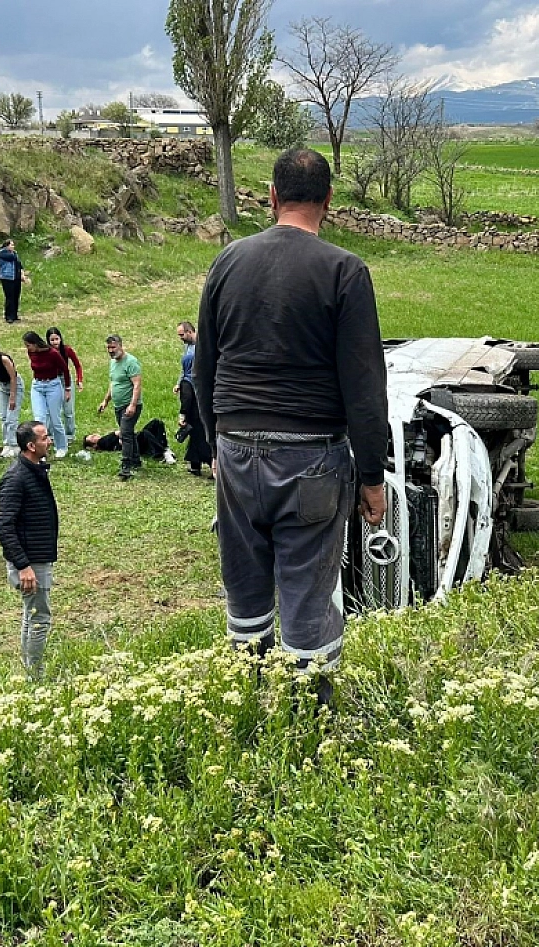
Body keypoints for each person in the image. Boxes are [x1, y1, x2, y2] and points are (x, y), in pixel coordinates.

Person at [192, 147, 389, 705]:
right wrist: (372, 476)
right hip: (311, 459)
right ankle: (307, 720)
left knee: (245, 591)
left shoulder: (228, 261)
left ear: (272, 196)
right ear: (328, 200)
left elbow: (205, 367)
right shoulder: (344, 271)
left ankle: (246, 706)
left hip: (235, 448)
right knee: (306, 593)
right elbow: (364, 384)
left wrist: (215, 446)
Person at [0, 421, 59, 677]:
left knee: (31, 614)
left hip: (36, 557)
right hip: (30, 562)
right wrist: (23, 566)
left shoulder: (33, 471)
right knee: (39, 619)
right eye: (45, 438)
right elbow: (4, 527)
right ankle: (35, 676)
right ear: (31, 446)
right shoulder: (16, 478)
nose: (49, 441)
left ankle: (29, 669)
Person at [97, 334, 143, 481]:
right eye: (108, 348)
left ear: (120, 346)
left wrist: (132, 405)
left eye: (113, 347)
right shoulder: (112, 363)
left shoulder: (131, 362)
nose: (111, 350)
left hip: (129, 405)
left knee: (125, 434)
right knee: (129, 433)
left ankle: (126, 467)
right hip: (118, 405)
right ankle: (136, 459)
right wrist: (105, 401)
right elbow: (113, 383)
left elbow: (137, 385)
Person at [24, 331, 72, 459]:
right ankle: (41, 450)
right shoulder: (31, 353)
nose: (27, 348)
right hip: (37, 385)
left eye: (28, 345)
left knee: (55, 418)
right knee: (39, 419)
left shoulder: (53, 353)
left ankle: (61, 446)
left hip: (52, 385)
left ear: (35, 343)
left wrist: (67, 388)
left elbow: (65, 369)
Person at [174, 319, 213, 477]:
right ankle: (195, 464)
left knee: (199, 433)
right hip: (193, 391)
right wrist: (179, 383)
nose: (180, 338)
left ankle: (211, 465)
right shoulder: (188, 348)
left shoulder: (203, 346)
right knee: (195, 432)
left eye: (182, 335)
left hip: (199, 394)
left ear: (190, 332)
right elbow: (185, 370)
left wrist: (182, 414)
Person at [82, 416, 176, 463]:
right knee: (145, 433)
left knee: (155, 423)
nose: (94, 435)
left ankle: (165, 448)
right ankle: (161, 453)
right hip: (132, 443)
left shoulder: (105, 440)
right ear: (93, 445)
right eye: (92, 438)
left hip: (132, 438)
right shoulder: (102, 442)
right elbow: (120, 432)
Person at [47, 326, 84, 441]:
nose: (55, 342)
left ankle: (70, 434)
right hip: (53, 380)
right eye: (52, 340)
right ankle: (51, 434)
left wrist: (79, 380)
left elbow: (77, 365)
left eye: (56, 339)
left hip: (65, 379)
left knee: (68, 409)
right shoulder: (47, 352)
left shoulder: (67, 350)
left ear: (60, 339)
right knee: (53, 409)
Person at [0, 239, 29, 324]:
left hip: (16, 278)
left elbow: (19, 264)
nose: (13, 246)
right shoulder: (2, 253)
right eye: (11, 245)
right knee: (10, 297)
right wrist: (13, 253)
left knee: (16, 296)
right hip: (7, 278)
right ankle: (8, 316)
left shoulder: (14, 253)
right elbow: (11, 257)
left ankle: (15, 315)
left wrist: (22, 275)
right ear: (7, 246)